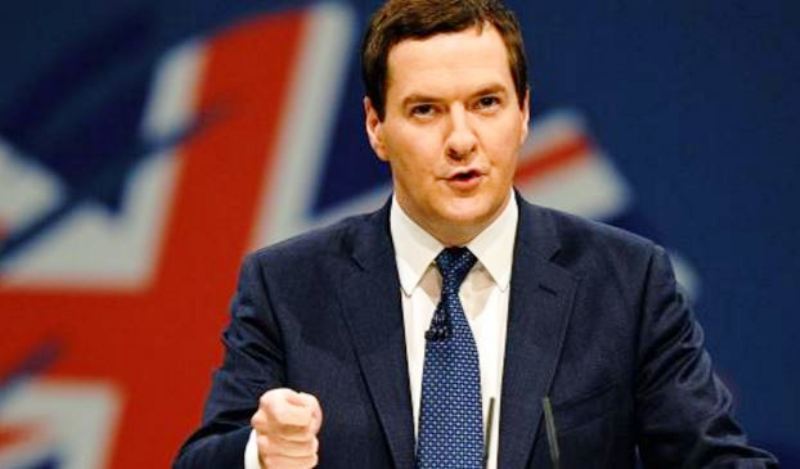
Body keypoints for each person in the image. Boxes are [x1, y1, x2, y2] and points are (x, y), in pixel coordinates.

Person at [174, 1, 778, 467]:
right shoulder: (289, 285)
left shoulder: (627, 280)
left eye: (486, 103)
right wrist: (260, 455)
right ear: (376, 127)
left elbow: (714, 459)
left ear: (524, 113)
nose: (461, 139)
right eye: (426, 110)